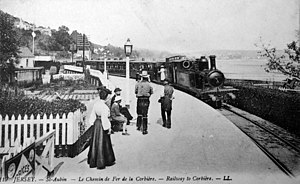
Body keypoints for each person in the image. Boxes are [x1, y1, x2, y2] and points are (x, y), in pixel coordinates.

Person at [87, 86, 115, 169]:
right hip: (102, 124)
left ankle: (93, 161)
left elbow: (92, 115)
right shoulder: (105, 107)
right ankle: (103, 161)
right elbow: (104, 119)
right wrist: (108, 128)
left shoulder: (96, 104)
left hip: (96, 124)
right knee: (103, 142)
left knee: (95, 142)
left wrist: (92, 123)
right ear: (106, 97)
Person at [135, 70, 153, 135]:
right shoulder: (149, 84)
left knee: (139, 113)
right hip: (146, 99)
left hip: (139, 99)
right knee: (145, 114)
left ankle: (138, 126)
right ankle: (144, 129)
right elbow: (151, 92)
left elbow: (135, 91)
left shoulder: (138, 83)